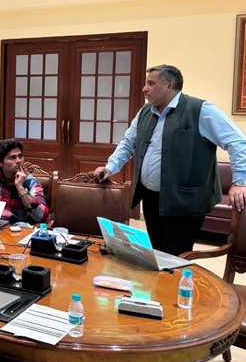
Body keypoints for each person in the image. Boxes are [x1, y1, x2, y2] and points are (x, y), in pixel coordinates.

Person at [94, 64, 246, 255]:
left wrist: (240, 182)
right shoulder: (145, 112)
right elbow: (128, 143)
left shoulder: (200, 110)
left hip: (186, 201)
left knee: (175, 257)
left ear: (170, 85)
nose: (144, 89)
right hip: (151, 197)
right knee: (157, 252)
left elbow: (237, 142)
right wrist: (110, 167)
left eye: (151, 83)